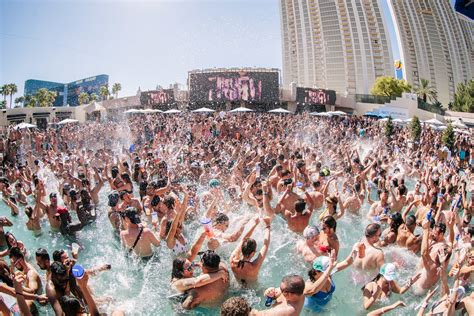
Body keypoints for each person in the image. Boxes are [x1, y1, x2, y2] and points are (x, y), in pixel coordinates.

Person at [230, 216, 271, 285]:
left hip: (237, 285)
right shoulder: (255, 266)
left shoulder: (232, 261)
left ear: (242, 249)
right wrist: (268, 225)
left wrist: (255, 224)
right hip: (252, 291)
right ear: (253, 253)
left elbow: (243, 240)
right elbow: (265, 245)